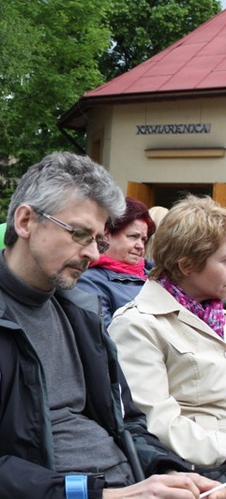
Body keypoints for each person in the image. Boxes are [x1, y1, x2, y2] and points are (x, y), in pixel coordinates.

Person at [0, 152, 226, 498]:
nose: (92, 253)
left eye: (98, 241)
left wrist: (170, 474)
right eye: (79, 234)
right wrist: (101, 494)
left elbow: (130, 423)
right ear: (26, 221)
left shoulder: (79, 313)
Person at [109, 195, 226, 478]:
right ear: (187, 266)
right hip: (200, 468)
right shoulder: (137, 324)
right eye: (225, 260)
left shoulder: (217, 313)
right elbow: (154, 423)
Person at [77, 196, 155, 329]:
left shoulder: (155, 277)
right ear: (106, 235)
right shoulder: (89, 282)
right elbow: (105, 337)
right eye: (133, 237)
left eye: (143, 239)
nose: (140, 246)